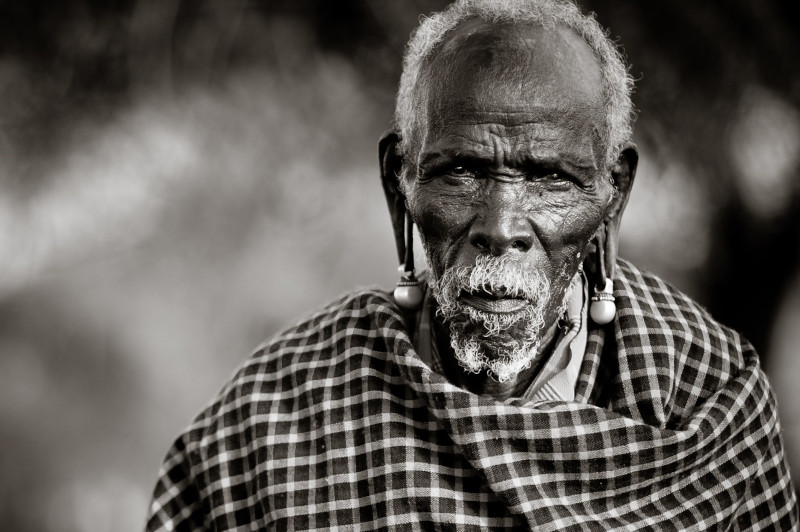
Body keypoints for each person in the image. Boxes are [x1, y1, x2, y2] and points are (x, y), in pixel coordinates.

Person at [146, 0, 798, 529]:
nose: (500, 228)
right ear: (398, 183)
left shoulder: (708, 398)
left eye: (547, 177)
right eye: (462, 171)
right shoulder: (277, 415)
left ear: (613, 195)